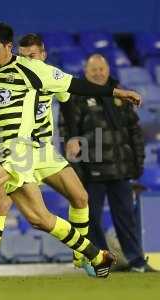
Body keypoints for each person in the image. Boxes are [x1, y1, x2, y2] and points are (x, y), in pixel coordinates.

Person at [0, 23, 141, 278]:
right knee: (40, 218)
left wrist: (117, 92)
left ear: (9, 47)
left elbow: (76, 85)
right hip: (7, 149)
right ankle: (98, 256)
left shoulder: (31, 69)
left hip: (19, 146)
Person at [0, 33, 93, 280]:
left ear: (43, 55)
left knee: (80, 197)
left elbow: (68, 103)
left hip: (45, 150)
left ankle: (80, 257)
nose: (28, 60)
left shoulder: (50, 76)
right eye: (24, 55)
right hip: (17, 150)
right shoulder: (12, 76)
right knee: (1, 205)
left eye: (33, 56)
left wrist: (72, 136)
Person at [60, 54, 155, 273]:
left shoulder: (120, 96)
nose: (98, 73)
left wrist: (137, 162)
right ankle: (101, 259)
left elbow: (135, 132)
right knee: (91, 218)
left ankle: (136, 261)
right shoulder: (76, 98)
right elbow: (68, 134)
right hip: (91, 170)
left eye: (101, 69)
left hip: (121, 168)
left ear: (108, 69)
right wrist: (76, 169)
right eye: (94, 70)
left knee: (126, 218)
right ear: (86, 72)